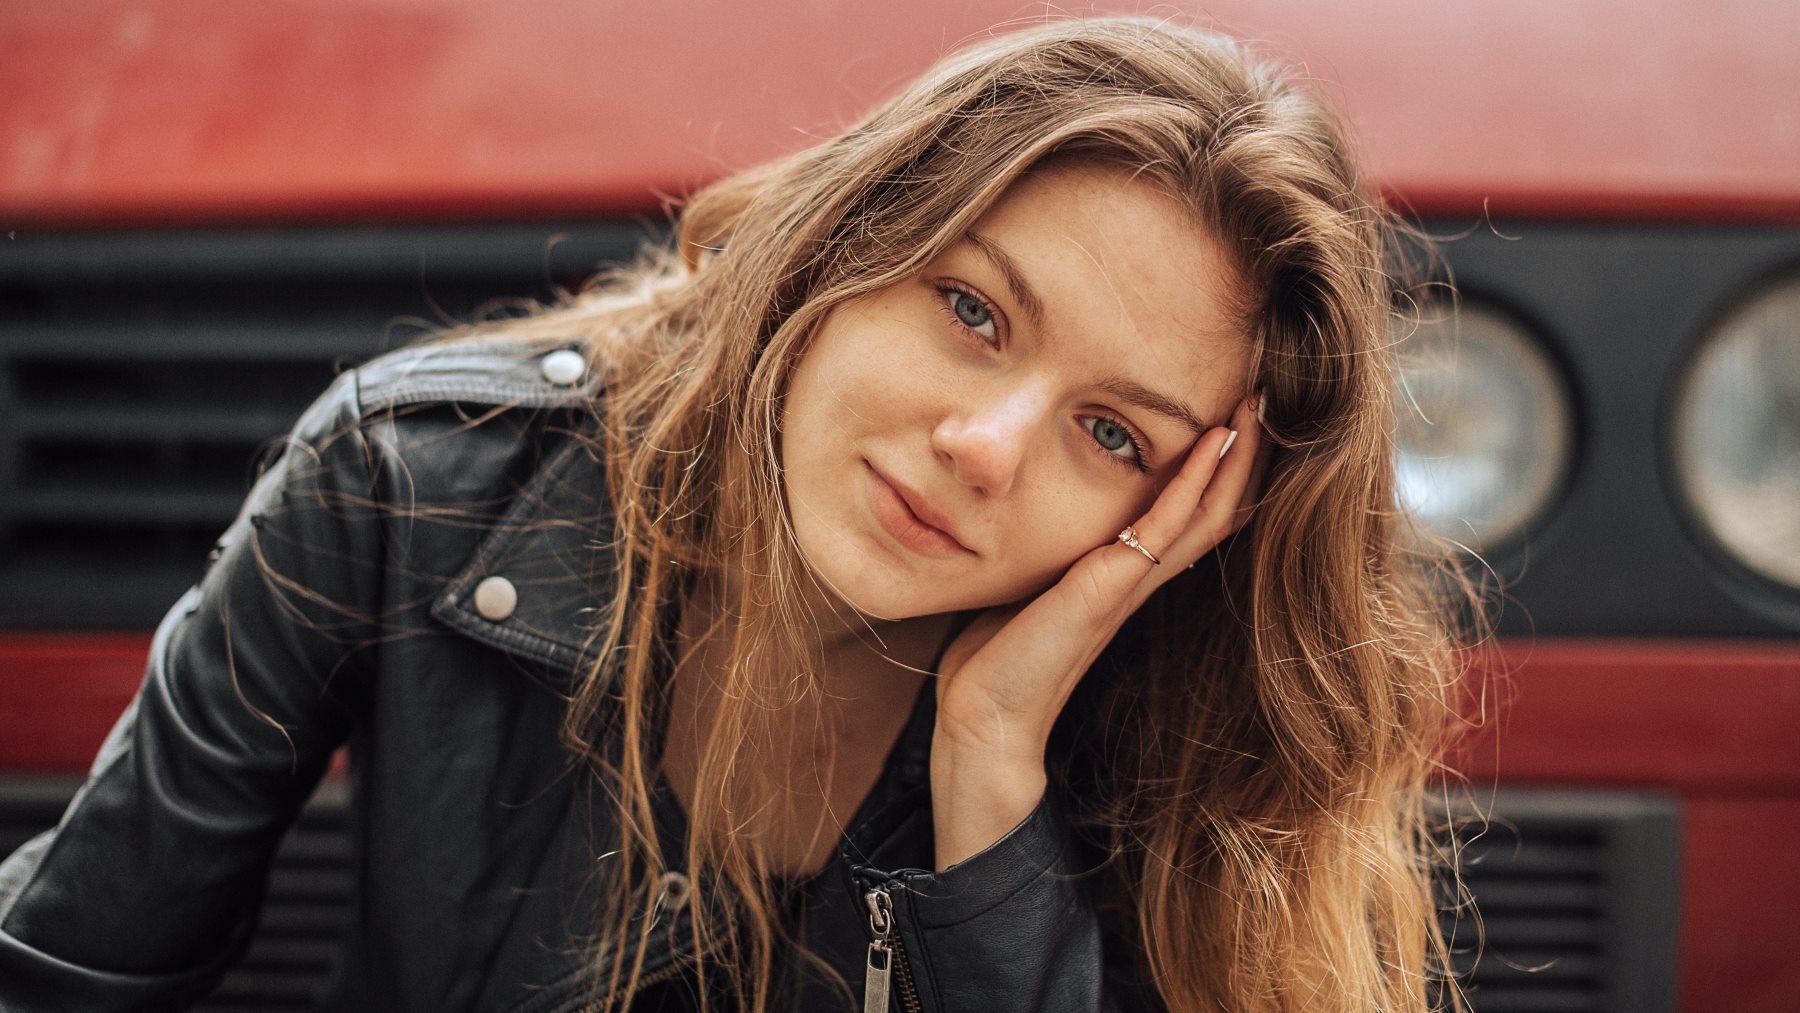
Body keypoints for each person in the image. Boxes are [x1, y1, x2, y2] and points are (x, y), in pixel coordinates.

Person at [0, 16, 1469, 1013]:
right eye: (971, 309)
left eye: (1110, 431)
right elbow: (66, 969)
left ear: (1185, 505)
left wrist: (991, 783)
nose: (983, 445)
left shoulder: (1163, 721)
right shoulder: (413, 479)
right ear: (844, 243)